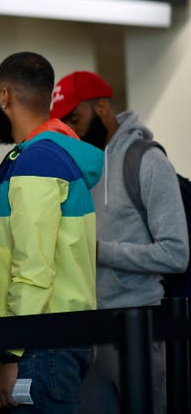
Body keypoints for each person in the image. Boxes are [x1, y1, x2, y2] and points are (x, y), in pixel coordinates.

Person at [50, 71, 189, 414]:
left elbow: (176, 253)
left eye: (76, 118)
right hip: (89, 330)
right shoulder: (79, 167)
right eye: (63, 122)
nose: (72, 129)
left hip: (139, 327)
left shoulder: (146, 160)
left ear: (102, 108)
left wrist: (101, 251)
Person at [0, 52, 103, 412]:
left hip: (39, 345)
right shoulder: (55, 155)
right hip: (57, 339)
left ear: (5, 96)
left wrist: (10, 355)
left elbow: (33, 269)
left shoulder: (37, 161)